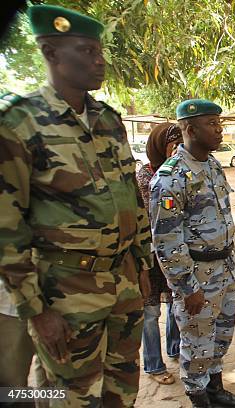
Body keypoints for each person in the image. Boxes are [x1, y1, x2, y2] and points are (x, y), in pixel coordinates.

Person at [0, 5, 152, 406]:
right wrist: (35, 310)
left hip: (124, 281)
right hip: (65, 291)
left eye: (99, 51)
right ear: (51, 53)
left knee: (123, 385)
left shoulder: (108, 119)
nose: (100, 61)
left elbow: (132, 199)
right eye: (86, 51)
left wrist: (143, 265)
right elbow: (6, 227)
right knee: (72, 394)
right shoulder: (20, 123)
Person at [150, 99, 235, 408]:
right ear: (190, 129)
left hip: (225, 269)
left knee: (220, 337)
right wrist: (186, 288)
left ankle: (216, 390)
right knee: (196, 345)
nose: (220, 130)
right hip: (197, 278)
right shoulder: (170, 177)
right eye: (212, 124)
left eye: (220, 124)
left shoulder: (211, 164)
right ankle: (199, 398)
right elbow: (166, 240)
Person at [135, 122, 183, 385]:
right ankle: (154, 364)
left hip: (173, 252)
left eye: (181, 143)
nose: (178, 149)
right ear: (158, 146)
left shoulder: (181, 173)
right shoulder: (144, 177)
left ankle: (175, 348)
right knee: (151, 312)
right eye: (173, 144)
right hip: (149, 257)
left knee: (176, 304)